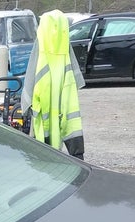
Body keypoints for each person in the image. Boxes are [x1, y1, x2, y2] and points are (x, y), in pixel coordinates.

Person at [21, 10, 86, 160]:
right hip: (63, 112)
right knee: (70, 125)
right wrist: (78, 152)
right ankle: (76, 156)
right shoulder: (65, 53)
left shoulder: (40, 50)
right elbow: (75, 81)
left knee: (44, 147)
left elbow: (30, 83)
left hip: (42, 117)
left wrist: (25, 106)